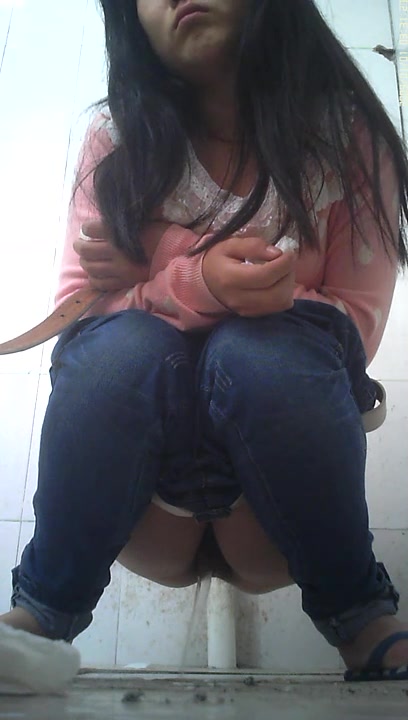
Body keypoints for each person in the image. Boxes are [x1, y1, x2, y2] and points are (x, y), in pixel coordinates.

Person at [1, 0, 408, 684]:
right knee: (120, 350)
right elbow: (79, 314)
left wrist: (159, 260)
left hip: (273, 494)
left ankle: (361, 613)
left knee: (265, 351)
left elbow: (355, 326)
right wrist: (198, 280)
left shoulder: (347, 137)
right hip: (147, 496)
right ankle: (38, 613)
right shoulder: (116, 139)